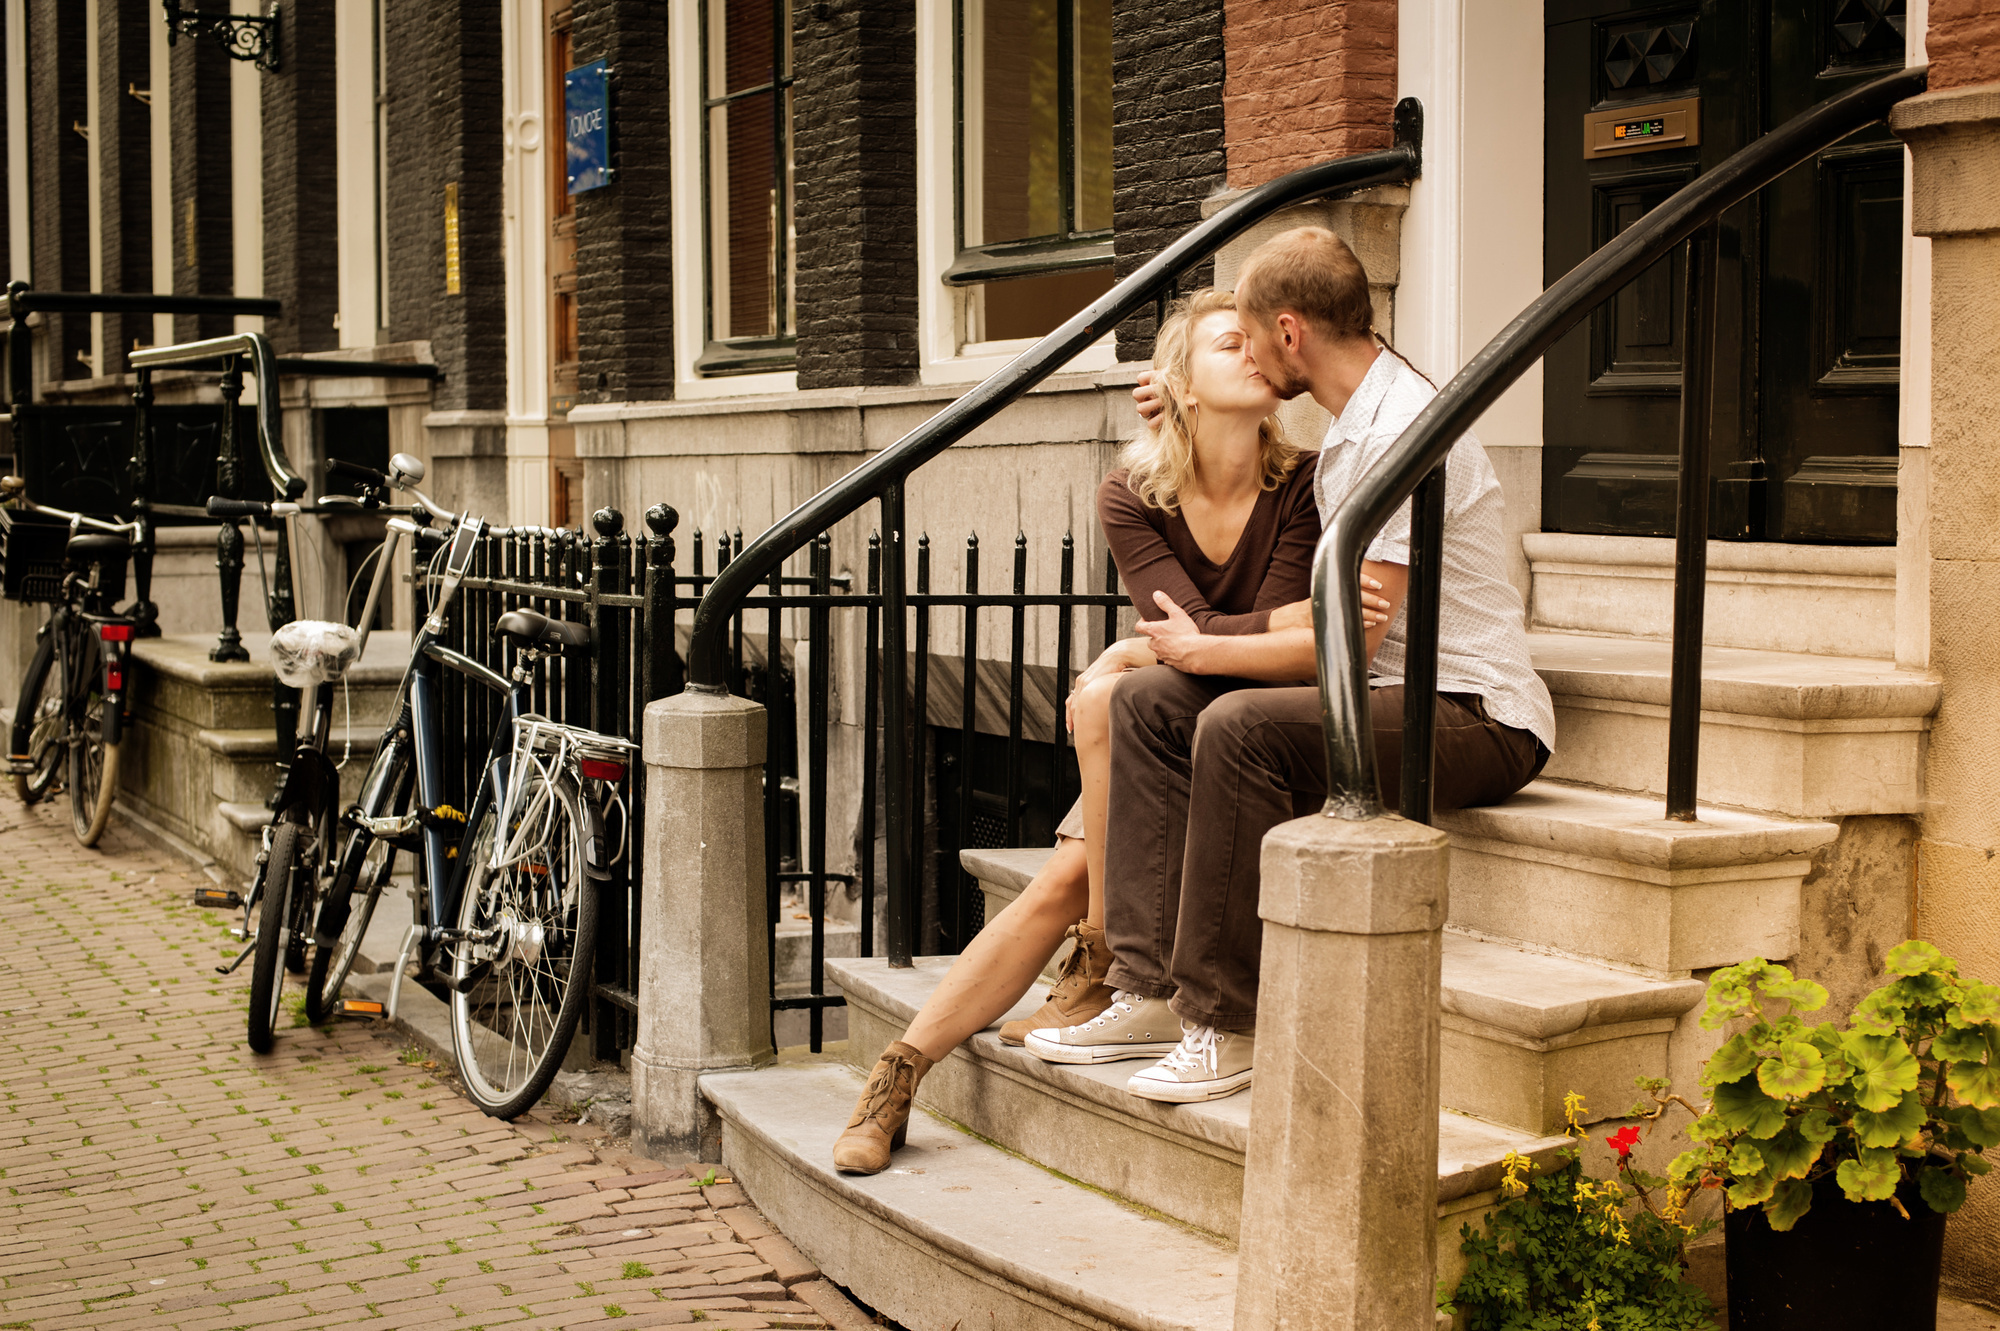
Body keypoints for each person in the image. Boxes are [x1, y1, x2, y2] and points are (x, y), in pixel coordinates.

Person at [829, 289, 1393, 1173]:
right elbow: (1209, 623)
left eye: (1257, 343)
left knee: (1073, 830)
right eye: (1227, 344)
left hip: (1246, 721)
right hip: (1172, 723)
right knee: (1084, 791)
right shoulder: (1133, 492)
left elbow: (1246, 640)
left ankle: (1083, 968)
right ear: (1180, 386)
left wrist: (1160, 644)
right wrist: (1202, 636)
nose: (1255, 355)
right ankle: (905, 1068)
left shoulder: (1307, 484)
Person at [1023, 225, 1555, 1105]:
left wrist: (1208, 648)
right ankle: (1151, 988)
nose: (1254, 358)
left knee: (1236, 725)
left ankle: (1224, 1020)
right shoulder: (1364, 411)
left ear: (1291, 333)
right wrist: (1183, 402)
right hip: (1384, 692)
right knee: (1150, 703)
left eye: (1250, 333)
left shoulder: (1396, 434)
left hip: (1474, 715)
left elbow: (1355, 644)